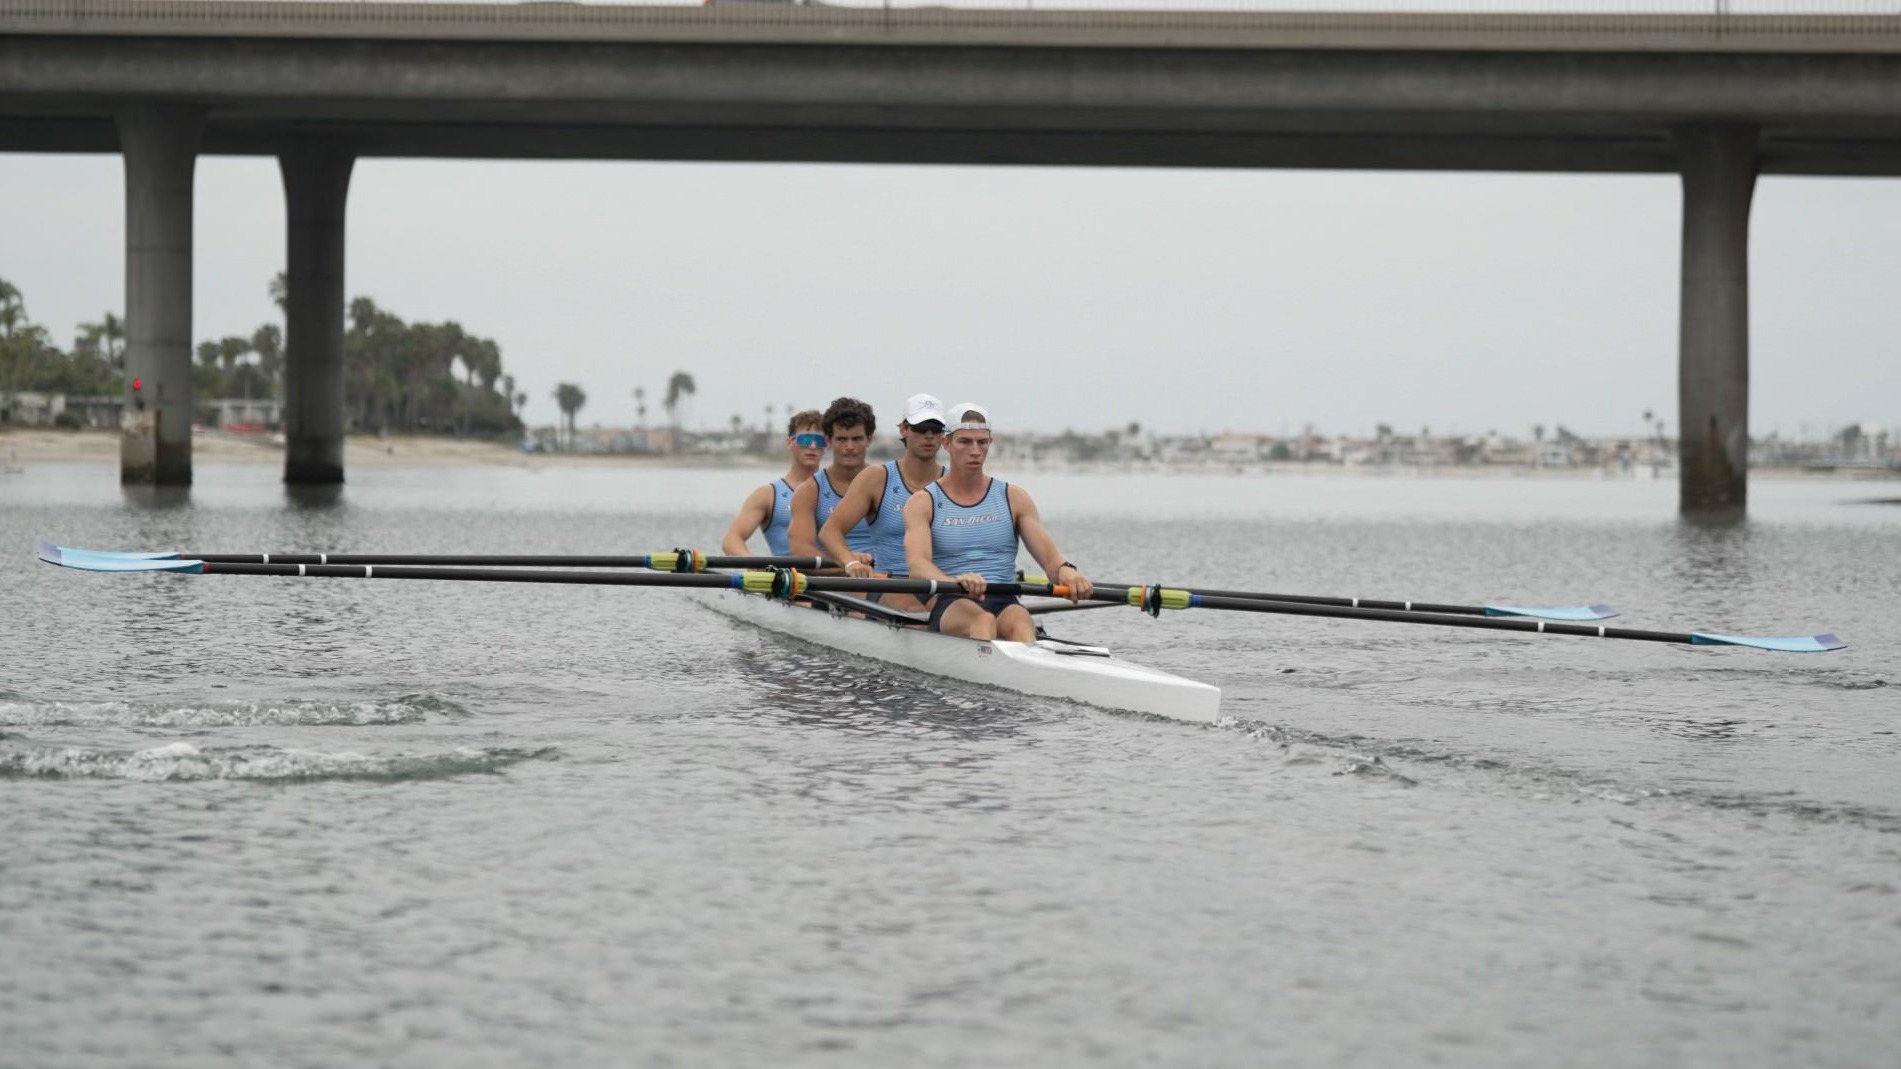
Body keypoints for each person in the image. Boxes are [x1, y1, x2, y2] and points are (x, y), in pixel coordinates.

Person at [903, 402, 1092, 641]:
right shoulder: (923, 502)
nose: (975, 450)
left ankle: (1022, 672)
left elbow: (1051, 560)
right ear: (947, 444)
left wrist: (1068, 573)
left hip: (1005, 599)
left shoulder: (1014, 498)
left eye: (982, 442)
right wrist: (954, 581)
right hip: (953, 600)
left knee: (1022, 625)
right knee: (983, 621)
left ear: (990, 443)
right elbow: (917, 566)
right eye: (965, 442)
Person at [818, 393, 948, 612]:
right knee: (924, 615)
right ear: (903, 430)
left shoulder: (953, 483)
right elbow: (830, 532)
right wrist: (851, 563)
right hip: (889, 583)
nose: (928, 435)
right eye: (920, 427)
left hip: (942, 586)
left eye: (936, 429)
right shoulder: (877, 479)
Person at [787, 397, 876, 566]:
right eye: (841, 439)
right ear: (828, 441)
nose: (849, 447)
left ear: (869, 439)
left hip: (886, 577)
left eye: (857, 439)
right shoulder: (810, 491)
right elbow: (801, 550)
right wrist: (848, 562)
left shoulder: (886, 483)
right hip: (835, 579)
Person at [722, 409, 824, 556]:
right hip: (788, 576)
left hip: (832, 575)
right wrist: (750, 561)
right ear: (789, 443)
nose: (813, 446)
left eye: (820, 441)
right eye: (806, 439)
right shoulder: (767, 496)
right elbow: (731, 540)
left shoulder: (840, 492)